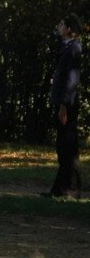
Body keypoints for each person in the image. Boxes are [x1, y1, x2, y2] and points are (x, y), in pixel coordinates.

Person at [48, 13, 83, 199]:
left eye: (62, 24)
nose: (59, 26)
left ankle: (71, 188)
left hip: (67, 104)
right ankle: (61, 188)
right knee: (63, 146)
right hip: (63, 101)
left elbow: (71, 79)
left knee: (68, 147)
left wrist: (63, 105)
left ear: (69, 29)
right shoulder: (67, 47)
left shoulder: (73, 48)